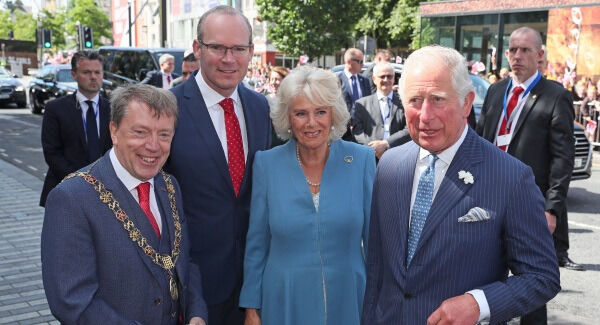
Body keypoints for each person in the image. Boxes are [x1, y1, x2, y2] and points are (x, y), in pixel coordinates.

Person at [362, 45, 560, 324]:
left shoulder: (510, 177)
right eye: (415, 100)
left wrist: (479, 304)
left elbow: (542, 276)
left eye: (438, 99)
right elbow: (377, 267)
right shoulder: (390, 165)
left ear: (466, 103)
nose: (425, 115)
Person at [41, 84, 208, 324]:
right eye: (140, 132)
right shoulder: (71, 198)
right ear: (114, 131)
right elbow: (72, 300)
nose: (153, 146)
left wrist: (196, 313)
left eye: (164, 134)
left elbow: (184, 262)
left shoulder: (170, 186)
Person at [239, 66, 375, 325]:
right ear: (288, 118)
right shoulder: (267, 164)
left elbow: (374, 243)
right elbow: (257, 243)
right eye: (301, 113)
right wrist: (251, 308)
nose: (312, 123)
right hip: (283, 300)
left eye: (320, 112)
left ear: (333, 114)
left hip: (349, 299)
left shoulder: (362, 160)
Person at [164, 5, 271, 325]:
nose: (229, 58)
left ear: (251, 52)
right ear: (198, 49)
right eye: (217, 48)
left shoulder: (259, 107)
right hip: (190, 286)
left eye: (238, 48)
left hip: (252, 283)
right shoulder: (168, 109)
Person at [477, 27, 577, 324]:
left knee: (531, 282)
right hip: (489, 198)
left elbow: (563, 158)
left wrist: (552, 207)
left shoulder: (556, 96)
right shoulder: (496, 91)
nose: (517, 56)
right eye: (513, 50)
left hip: (531, 204)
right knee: (485, 276)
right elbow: (481, 141)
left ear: (539, 56)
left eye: (525, 50)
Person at [39, 50, 112, 207]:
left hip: (108, 191)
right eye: (86, 72)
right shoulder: (55, 108)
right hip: (68, 190)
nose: (93, 77)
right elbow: (52, 153)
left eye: (97, 72)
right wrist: (81, 182)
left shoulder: (114, 109)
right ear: (74, 75)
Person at [352, 61, 410, 159]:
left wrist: (386, 143)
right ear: (374, 79)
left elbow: (409, 129)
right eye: (382, 76)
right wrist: (374, 148)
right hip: (370, 157)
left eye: (389, 76)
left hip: (398, 156)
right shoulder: (361, 104)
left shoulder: (404, 103)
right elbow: (357, 132)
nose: (386, 79)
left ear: (394, 78)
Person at [261, 66, 289, 148]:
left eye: (277, 79)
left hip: (289, 143)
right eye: (272, 79)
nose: (273, 82)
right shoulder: (264, 100)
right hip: (270, 144)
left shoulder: (292, 100)